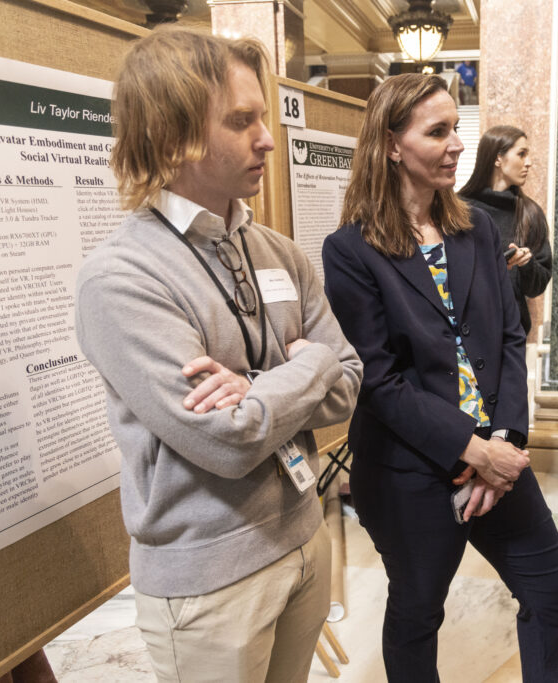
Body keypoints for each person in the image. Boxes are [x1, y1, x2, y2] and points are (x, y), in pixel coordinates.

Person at [75, 29, 361, 682]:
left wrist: (264, 384)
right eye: (242, 121)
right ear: (173, 136)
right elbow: (227, 439)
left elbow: (350, 383)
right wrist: (308, 365)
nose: (267, 137)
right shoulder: (120, 278)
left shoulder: (277, 249)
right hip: (209, 582)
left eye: (262, 117)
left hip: (302, 537)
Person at [322, 73, 558, 682]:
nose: (457, 145)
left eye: (455, 128)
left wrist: (507, 443)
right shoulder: (350, 251)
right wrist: (471, 450)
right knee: (417, 610)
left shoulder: (478, 230)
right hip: (409, 467)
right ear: (390, 144)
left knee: (550, 584)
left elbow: (510, 338)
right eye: (438, 132)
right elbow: (378, 381)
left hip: (496, 446)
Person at [459, 125, 552, 335]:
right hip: (464, 338)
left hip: (511, 339)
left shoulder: (530, 214)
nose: (529, 162)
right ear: (497, 159)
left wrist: (526, 262)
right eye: (521, 154)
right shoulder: (458, 210)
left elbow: (537, 287)